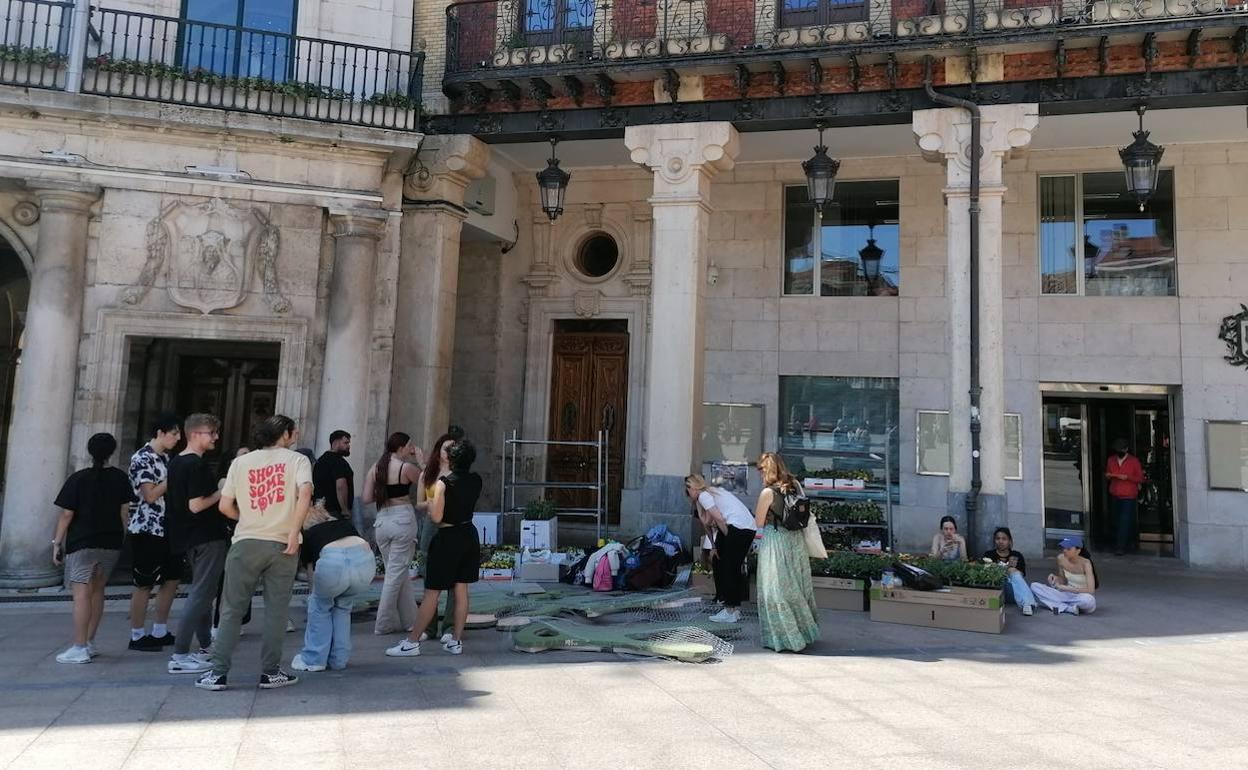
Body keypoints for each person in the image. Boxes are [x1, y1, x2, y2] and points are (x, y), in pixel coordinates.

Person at [197, 415, 313, 691]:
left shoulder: (240, 462)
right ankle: (270, 672)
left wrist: (247, 520)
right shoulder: (297, 460)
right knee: (276, 611)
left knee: (231, 610)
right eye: (293, 430)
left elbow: (225, 506)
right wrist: (293, 532)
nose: (296, 433)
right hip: (283, 544)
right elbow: (305, 493)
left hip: (246, 542)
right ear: (284, 434)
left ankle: (217, 673)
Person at [387, 439, 482, 658]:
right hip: (468, 534)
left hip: (448, 536)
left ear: (452, 458)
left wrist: (431, 506)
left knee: (432, 592)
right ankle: (456, 640)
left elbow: (437, 517)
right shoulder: (476, 480)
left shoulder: (443, 483)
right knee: (461, 590)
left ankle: (411, 643)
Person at [52, 433, 134, 664]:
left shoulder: (78, 478)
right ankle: (89, 641)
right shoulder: (120, 478)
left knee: (81, 594)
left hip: (82, 542)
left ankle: (79, 646)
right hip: (110, 542)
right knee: (98, 591)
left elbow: (67, 514)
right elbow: (124, 513)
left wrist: (57, 542)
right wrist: (120, 536)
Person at [166, 414, 232, 674]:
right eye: (211, 432)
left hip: (188, 537)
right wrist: (222, 490)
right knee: (200, 594)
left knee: (203, 592)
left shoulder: (176, 462)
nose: (215, 437)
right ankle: (180, 654)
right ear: (195, 434)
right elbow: (196, 505)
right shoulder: (196, 465)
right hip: (206, 536)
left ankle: (205, 646)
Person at [290, 502, 375, 672]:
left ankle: (314, 660)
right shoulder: (343, 524)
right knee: (343, 608)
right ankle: (338, 660)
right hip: (365, 563)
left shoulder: (309, 534)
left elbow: (311, 572)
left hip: (333, 563)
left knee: (319, 608)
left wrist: (314, 595)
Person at [126, 412, 183, 652]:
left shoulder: (166, 458)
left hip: (168, 526)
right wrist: (173, 478)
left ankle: (160, 629)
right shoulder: (142, 458)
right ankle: (137, 634)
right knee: (144, 582)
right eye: (174, 433)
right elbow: (149, 495)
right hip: (147, 527)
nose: (178, 438)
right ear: (160, 433)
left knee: (172, 579)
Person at [751, 452, 819, 652]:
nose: (760, 474)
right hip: (795, 541)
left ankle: (784, 638)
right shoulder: (796, 485)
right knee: (797, 587)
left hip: (776, 541)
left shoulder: (767, 493)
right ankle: (804, 633)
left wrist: (755, 544)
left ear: (768, 469)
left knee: (774, 590)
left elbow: (759, 522)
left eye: (761, 470)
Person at [363, 432, 422, 635]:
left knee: (399, 573)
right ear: (401, 448)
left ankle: (411, 621)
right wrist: (421, 460)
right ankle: (383, 623)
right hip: (402, 520)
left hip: (382, 521)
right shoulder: (405, 468)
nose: (410, 449)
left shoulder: (376, 468)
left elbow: (366, 497)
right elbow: (427, 483)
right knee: (394, 575)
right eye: (409, 446)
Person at [685, 474, 756, 624]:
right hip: (743, 527)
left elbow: (718, 519)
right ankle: (731, 608)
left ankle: (730, 609)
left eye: (688, 489)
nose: (687, 493)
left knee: (729, 567)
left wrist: (727, 535)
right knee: (720, 562)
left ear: (694, 488)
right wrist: (715, 546)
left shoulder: (705, 495)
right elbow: (708, 526)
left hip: (738, 527)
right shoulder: (709, 495)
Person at [212, 447, 252, 638]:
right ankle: (219, 622)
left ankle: (239, 620)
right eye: (243, 455)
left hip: (245, 532)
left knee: (245, 578)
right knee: (228, 579)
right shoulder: (225, 481)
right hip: (231, 532)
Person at [1030, 536, 1098, 615]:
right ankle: (1069, 608)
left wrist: (1067, 588)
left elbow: (1090, 590)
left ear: (1078, 551)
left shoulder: (1086, 563)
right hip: (1065, 594)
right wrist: (1055, 578)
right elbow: (1063, 580)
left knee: (1088, 601)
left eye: (1068, 549)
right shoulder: (1061, 558)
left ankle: (1058, 605)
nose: (1064, 551)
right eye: (1064, 548)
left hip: (1081, 596)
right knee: (1034, 586)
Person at [982, 527, 1036, 617]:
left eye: (1004, 539)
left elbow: (1021, 576)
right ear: (994, 540)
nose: (1001, 541)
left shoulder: (1016, 555)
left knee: (1015, 573)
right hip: (997, 590)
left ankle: (1027, 604)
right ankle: (1028, 601)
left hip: (1012, 591)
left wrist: (1010, 570)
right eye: (998, 539)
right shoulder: (989, 555)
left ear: (1009, 541)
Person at [1106, 437, 1145, 555]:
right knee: (1115, 520)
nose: (1119, 452)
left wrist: (1128, 477)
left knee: (1124, 521)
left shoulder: (1134, 461)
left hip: (1128, 496)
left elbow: (1140, 478)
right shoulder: (1111, 460)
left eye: (1121, 449)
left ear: (1126, 449)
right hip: (1115, 494)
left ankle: (1120, 547)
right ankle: (1124, 541)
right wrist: (1109, 475)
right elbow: (1108, 473)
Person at [312, 430, 354, 520]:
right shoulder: (339, 462)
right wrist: (345, 509)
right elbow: (340, 485)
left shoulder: (320, 461)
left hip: (319, 512)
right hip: (335, 513)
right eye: (346, 443)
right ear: (336, 442)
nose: (348, 446)